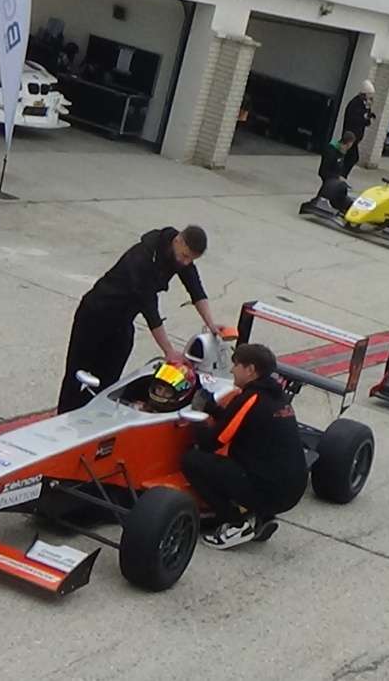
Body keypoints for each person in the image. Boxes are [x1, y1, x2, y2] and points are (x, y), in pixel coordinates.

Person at [57, 226, 218, 414]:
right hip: (96, 315)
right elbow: (149, 309)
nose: (185, 262)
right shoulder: (143, 257)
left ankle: (92, 415)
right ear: (178, 240)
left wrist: (211, 324)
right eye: (185, 256)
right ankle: (64, 415)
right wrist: (169, 351)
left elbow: (196, 289)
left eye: (191, 259)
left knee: (109, 380)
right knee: (77, 372)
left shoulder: (179, 256)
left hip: (123, 321)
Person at [181, 343, 308, 549]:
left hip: (270, 490)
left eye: (236, 365)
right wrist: (211, 407)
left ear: (250, 370)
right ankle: (259, 516)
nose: (232, 370)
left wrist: (197, 420)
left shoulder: (251, 398)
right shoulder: (276, 396)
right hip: (292, 487)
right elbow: (238, 420)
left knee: (192, 460)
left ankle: (236, 523)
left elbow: (211, 442)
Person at [341, 80, 375, 178]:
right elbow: (354, 119)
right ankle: (341, 175)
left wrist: (369, 116)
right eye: (368, 95)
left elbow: (366, 121)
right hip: (351, 135)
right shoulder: (355, 104)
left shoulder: (364, 105)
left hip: (356, 137)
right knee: (352, 157)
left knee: (350, 157)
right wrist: (364, 118)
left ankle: (342, 175)